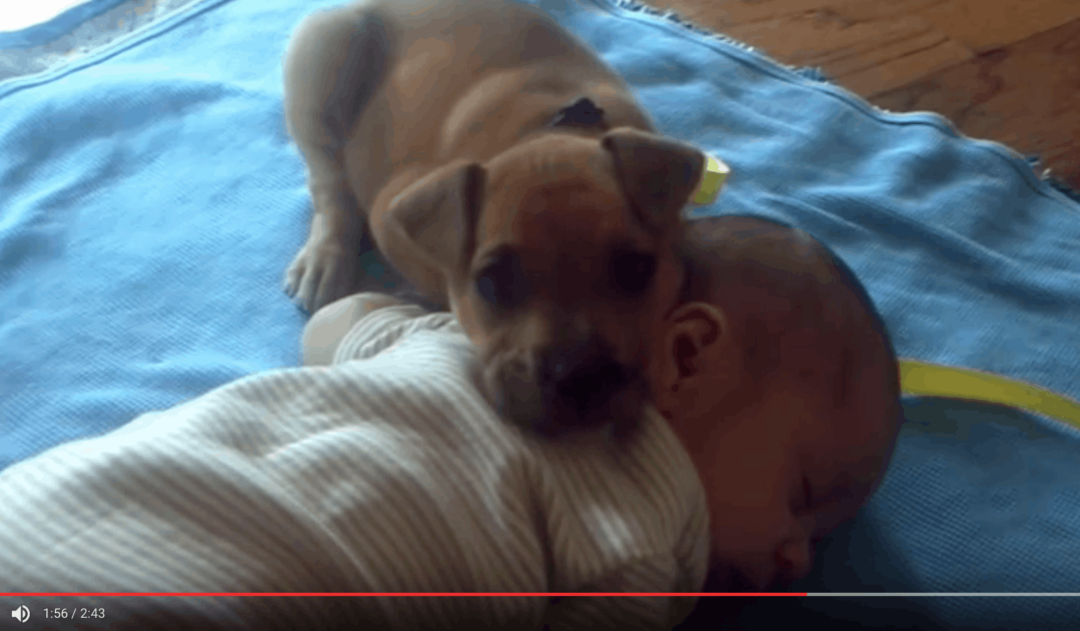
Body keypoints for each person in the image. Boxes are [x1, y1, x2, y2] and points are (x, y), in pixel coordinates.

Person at [0, 216, 901, 630]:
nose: (797, 554)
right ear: (687, 358)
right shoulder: (644, 529)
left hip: (48, 514)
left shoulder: (457, 345)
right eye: (804, 495)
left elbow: (338, 323)